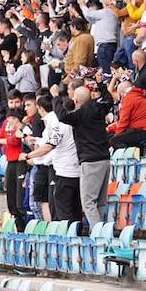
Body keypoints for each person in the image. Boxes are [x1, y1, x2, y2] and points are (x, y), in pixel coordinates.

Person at [61, 79, 112, 233]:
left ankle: (99, 235)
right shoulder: (98, 108)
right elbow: (109, 99)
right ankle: (100, 232)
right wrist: (101, 84)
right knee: (101, 202)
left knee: (88, 202)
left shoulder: (79, 115)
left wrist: (57, 97)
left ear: (76, 100)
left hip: (90, 161)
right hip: (105, 159)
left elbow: (62, 115)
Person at [23, 93, 80, 224]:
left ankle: (67, 238)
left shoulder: (59, 125)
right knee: (75, 208)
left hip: (63, 171)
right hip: (76, 170)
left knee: (63, 209)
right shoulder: (77, 123)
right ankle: (77, 235)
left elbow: (48, 147)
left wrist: (28, 155)